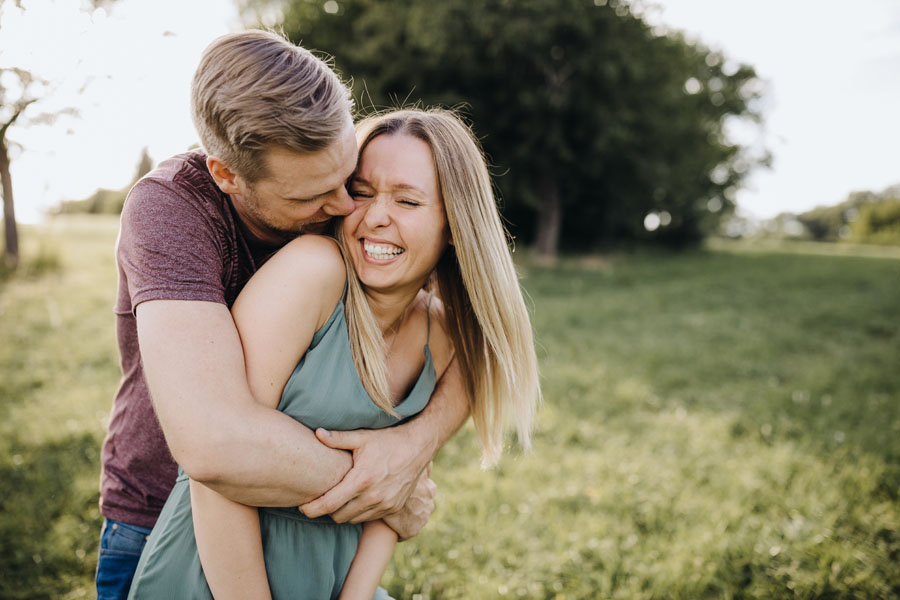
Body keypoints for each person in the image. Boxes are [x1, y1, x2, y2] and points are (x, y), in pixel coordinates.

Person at [96, 31, 470, 599]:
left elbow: (475, 338)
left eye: (347, 179)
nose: (347, 209)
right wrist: (382, 485)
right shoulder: (173, 209)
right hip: (158, 519)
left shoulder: (343, 198)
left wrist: (414, 447)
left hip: (315, 538)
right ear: (227, 176)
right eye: (312, 198)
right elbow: (215, 446)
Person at [126, 108, 541, 599]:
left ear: (455, 225)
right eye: (361, 193)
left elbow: (400, 484)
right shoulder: (313, 273)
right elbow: (218, 474)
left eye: (407, 200)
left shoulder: (443, 331)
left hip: (333, 579)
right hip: (219, 573)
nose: (376, 216)